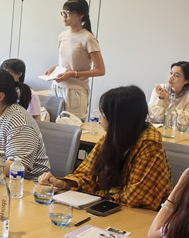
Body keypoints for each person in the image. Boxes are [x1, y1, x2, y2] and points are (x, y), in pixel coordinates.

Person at [38, 85, 171, 210]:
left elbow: (135, 198)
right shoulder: (111, 138)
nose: (100, 117)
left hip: (140, 215)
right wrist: (62, 183)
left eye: (103, 113)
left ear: (119, 119)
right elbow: (86, 175)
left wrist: (96, 194)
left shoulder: (149, 144)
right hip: (110, 206)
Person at [43, 0, 105, 120]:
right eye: (63, 13)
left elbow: (100, 70)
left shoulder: (88, 38)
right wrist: (53, 69)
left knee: (71, 127)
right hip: (56, 88)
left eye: (69, 13)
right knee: (51, 124)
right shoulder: (62, 35)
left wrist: (73, 74)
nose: (64, 17)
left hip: (75, 92)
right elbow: (66, 62)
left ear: (81, 15)